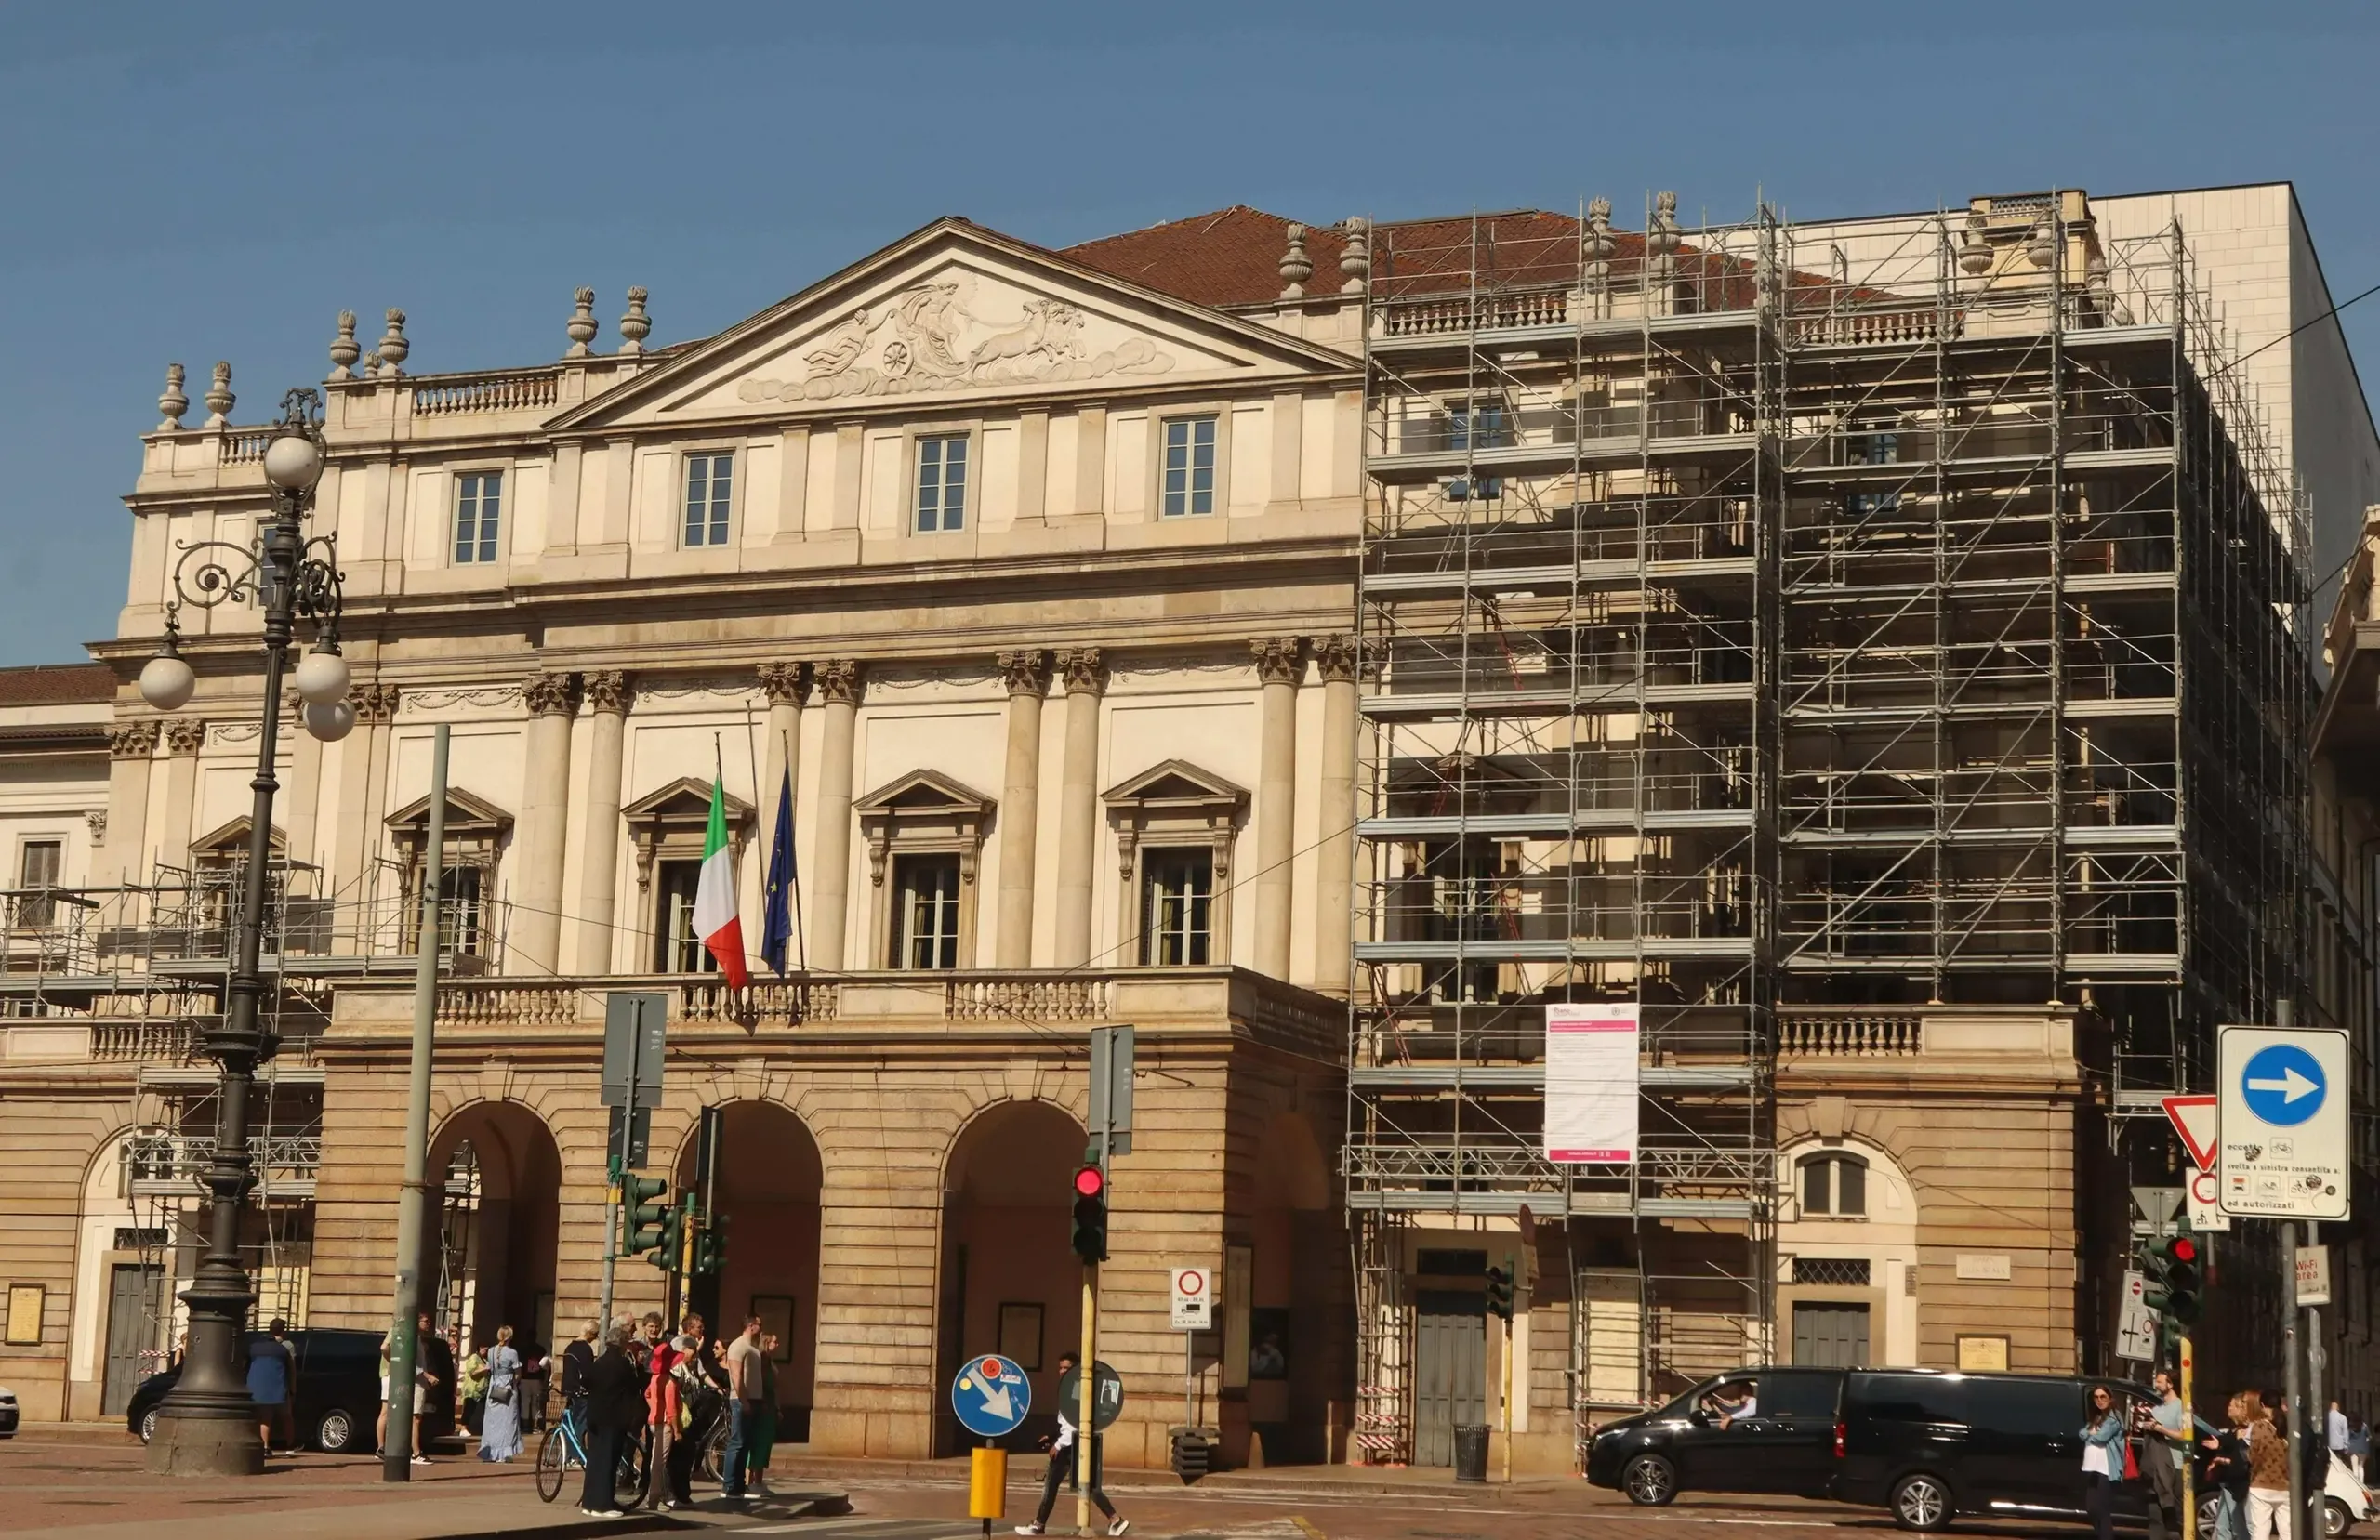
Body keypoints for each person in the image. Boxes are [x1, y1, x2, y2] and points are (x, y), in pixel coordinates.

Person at [1018, 1352, 1128, 1537]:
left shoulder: (1076, 1388)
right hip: (1075, 1443)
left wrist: (1058, 1444)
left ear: (1075, 1369)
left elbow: (1074, 1422)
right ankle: (1116, 1520)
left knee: (1052, 1486)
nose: (1062, 1371)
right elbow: (1065, 1420)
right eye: (1060, 1368)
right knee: (1087, 1486)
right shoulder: (1072, 1387)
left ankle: (1038, 1525)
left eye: (1066, 1368)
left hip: (1070, 1446)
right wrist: (1051, 1436)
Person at [579, 1323, 644, 1518]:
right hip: (613, 1419)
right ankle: (603, 1505)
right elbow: (634, 1387)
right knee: (608, 1461)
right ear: (623, 1343)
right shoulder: (623, 1364)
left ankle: (589, 1502)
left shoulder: (600, 1362)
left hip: (595, 1417)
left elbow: (586, 1381)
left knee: (595, 1460)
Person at [2143, 1369, 2214, 1540]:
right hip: (2157, 1466)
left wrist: (2160, 1428)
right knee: (2156, 1512)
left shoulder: (2182, 1406)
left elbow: (2184, 1435)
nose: (2156, 1385)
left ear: (2170, 1384)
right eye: (2156, 1381)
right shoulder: (2158, 1407)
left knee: (2177, 1511)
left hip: (2176, 1465)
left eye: (2160, 1382)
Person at [664, 1331, 730, 1511]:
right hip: (679, 1418)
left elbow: (701, 1377)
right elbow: (672, 1396)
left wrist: (717, 1389)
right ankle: (670, 1495)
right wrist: (676, 1426)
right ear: (683, 1350)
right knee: (675, 1459)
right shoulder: (677, 1369)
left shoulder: (691, 1368)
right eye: (692, 1352)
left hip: (690, 1419)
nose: (694, 1356)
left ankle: (683, 1494)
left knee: (687, 1457)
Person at [721, 1315, 766, 1501]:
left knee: (746, 1444)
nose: (761, 1328)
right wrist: (743, 1400)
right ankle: (729, 1485)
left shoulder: (753, 1349)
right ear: (750, 1326)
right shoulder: (738, 1346)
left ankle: (739, 1485)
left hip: (754, 1399)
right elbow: (736, 1376)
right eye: (759, 1325)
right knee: (737, 1442)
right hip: (741, 1400)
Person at [2080, 1383, 2126, 1540]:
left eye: (2103, 1397)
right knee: (2091, 1508)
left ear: (2110, 1398)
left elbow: (2101, 1437)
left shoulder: (2113, 1418)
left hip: (2107, 1470)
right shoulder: (2097, 1417)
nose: (2099, 1400)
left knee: (2102, 1509)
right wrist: (2091, 1433)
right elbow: (2082, 1433)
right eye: (2096, 1397)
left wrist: (2091, 1433)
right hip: (2093, 1468)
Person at [2241, 1390, 2289, 1540]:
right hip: (2285, 1485)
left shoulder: (2259, 1427)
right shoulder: (2287, 1426)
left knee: (2260, 1530)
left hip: (2261, 1484)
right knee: (2287, 1531)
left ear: (2262, 1405)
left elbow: (2253, 1456)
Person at [247, 1318, 294, 1455]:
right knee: (287, 1417)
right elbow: (291, 1370)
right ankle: (290, 1446)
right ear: (283, 1330)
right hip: (279, 1389)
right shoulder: (285, 1348)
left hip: (258, 1390)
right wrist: (293, 1390)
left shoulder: (254, 1347)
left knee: (265, 1419)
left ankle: (266, 1447)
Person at [479, 1324, 523, 1462]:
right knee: (508, 1421)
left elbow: (490, 1368)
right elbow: (518, 1373)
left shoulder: (491, 1351)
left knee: (491, 1422)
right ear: (510, 1337)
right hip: (508, 1387)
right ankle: (504, 1453)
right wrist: (515, 1383)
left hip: (494, 1386)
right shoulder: (512, 1353)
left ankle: (490, 1452)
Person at [748, 1330, 781, 1498]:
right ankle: (751, 1482)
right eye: (775, 1342)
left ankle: (759, 1482)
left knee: (764, 1445)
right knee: (757, 1444)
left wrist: (777, 1408)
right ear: (767, 1343)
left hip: (769, 1407)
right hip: (762, 1407)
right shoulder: (760, 1361)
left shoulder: (769, 1362)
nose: (777, 1345)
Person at [561, 1319, 597, 1407]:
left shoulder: (569, 1347)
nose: (595, 1338)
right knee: (580, 1419)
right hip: (580, 1391)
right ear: (589, 1333)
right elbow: (587, 1372)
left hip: (567, 1388)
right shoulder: (586, 1349)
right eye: (595, 1334)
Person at [461, 1339, 490, 1438]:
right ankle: (463, 1428)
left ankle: (475, 1428)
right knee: (469, 1408)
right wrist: (485, 1369)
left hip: (482, 1391)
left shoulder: (486, 1360)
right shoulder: (474, 1357)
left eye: (486, 1347)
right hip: (472, 1389)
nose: (485, 1349)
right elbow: (472, 1372)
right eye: (482, 1347)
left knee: (478, 1410)